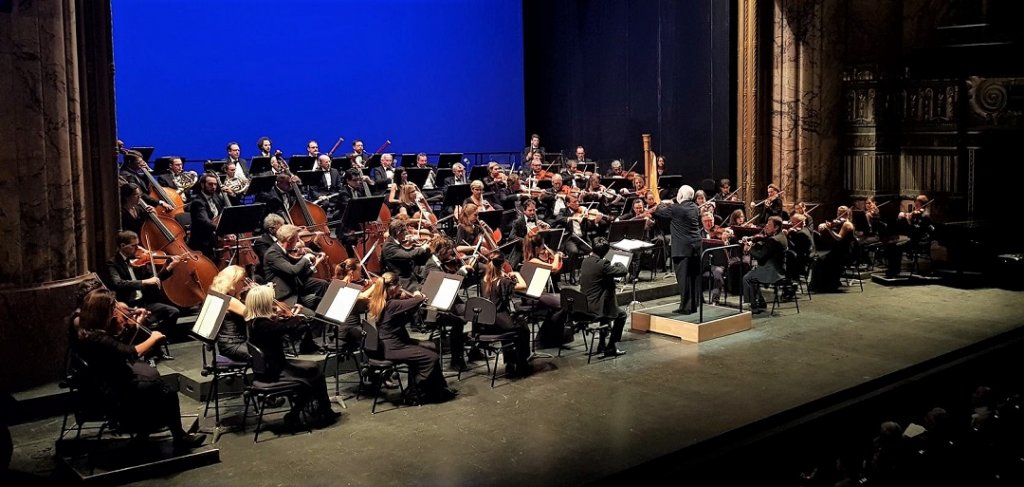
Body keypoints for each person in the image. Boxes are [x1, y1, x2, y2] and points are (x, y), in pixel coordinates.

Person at [71, 289, 206, 449]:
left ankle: (145, 433)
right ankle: (178, 437)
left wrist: (135, 327)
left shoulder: (91, 333)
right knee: (167, 392)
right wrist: (153, 338)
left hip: (113, 379)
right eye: (113, 309)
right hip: (113, 391)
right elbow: (131, 352)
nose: (117, 312)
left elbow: (121, 352)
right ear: (103, 312)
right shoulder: (96, 339)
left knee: (153, 380)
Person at [245, 285, 338, 427]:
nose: (273, 303)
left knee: (312, 369)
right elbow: (286, 328)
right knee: (314, 372)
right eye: (271, 301)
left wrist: (289, 318)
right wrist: (296, 317)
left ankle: (307, 411)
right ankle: (319, 411)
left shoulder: (254, 322)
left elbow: (281, 327)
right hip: (276, 371)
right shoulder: (263, 325)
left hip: (271, 367)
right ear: (264, 304)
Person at [367, 272, 456, 404]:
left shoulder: (382, 301)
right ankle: (415, 393)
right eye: (399, 286)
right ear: (395, 287)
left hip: (394, 343)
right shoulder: (392, 304)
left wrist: (405, 300)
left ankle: (439, 389)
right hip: (394, 347)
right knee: (431, 357)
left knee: (431, 346)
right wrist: (416, 294)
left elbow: (403, 314)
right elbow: (418, 299)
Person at [104, 231, 182, 342]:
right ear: (122, 246)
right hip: (127, 306)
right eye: (134, 245)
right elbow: (118, 283)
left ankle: (159, 342)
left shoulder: (139, 261)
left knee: (173, 312)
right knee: (143, 321)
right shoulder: (112, 263)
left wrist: (169, 267)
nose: (138, 248)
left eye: (138, 244)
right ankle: (149, 348)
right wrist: (144, 282)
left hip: (144, 303)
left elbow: (154, 280)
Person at [478, 251, 533, 377]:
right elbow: (523, 286)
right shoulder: (503, 282)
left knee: (509, 326)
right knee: (522, 327)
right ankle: (522, 363)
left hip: (488, 322)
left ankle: (510, 362)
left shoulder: (484, 280)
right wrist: (516, 274)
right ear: (502, 265)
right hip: (500, 320)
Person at [655, 185, 702, 314]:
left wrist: (665, 202)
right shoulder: (694, 207)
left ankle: (686, 307)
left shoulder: (677, 208)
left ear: (680, 196)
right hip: (696, 248)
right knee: (693, 277)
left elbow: (659, 211)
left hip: (682, 249)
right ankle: (694, 304)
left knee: (683, 279)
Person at [578, 238, 628, 357]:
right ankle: (611, 346)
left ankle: (601, 345)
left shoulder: (585, 261)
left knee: (606, 295)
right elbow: (623, 271)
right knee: (622, 315)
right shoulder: (603, 264)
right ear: (606, 252)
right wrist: (618, 263)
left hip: (584, 304)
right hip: (596, 307)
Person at [262, 224, 328, 310]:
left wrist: (316, 256)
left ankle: (320, 311)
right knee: (313, 312)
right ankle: (315, 313)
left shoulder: (284, 249)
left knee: (322, 284)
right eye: (297, 239)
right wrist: (307, 257)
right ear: (289, 240)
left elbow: (299, 263)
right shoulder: (272, 254)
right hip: (285, 294)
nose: (299, 241)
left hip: (294, 283)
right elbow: (293, 270)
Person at [742, 215, 788, 314]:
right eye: (767, 224)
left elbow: (761, 257)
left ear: (776, 227)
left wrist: (749, 249)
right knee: (753, 274)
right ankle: (761, 303)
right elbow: (766, 249)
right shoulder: (781, 236)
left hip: (773, 272)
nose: (766, 226)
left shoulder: (774, 240)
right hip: (779, 269)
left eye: (769, 225)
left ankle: (754, 306)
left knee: (747, 278)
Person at [209, 265, 250, 363]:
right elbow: (252, 315)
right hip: (234, 344)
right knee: (263, 354)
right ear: (233, 282)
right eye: (242, 281)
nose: (244, 284)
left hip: (227, 344)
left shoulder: (220, 296)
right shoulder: (230, 301)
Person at [188, 173, 232, 261]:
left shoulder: (216, 197)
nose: (213, 187)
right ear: (202, 185)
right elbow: (205, 222)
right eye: (210, 184)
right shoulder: (198, 202)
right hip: (203, 241)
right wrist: (224, 230)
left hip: (215, 236)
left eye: (215, 184)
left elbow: (226, 213)